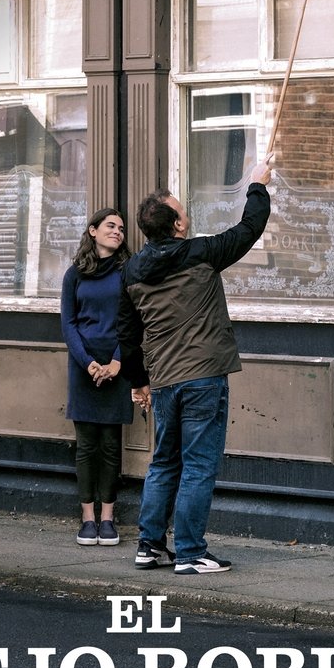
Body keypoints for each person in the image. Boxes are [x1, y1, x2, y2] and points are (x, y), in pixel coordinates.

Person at [117, 156, 273, 574]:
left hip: (165, 380)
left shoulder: (131, 272)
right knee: (199, 464)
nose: (187, 215)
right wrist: (257, 183)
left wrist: (138, 382)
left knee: (165, 462)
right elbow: (250, 228)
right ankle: (190, 552)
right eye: (183, 211)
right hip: (203, 375)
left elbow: (127, 335)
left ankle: (149, 546)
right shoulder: (202, 254)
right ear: (178, 226)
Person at [61, 208, 133, 547]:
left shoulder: (127, 272)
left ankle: (108, 518)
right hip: (83, 368)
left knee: (110, 445)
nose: (117, 231)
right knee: (86, 445)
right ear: (92, 231)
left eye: (121, 228)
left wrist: (118, 362)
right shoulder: (74, 275)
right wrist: (89, 363)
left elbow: (134, 322)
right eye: (110, 226)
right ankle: (87, 518)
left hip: (117, 368)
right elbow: (68, 325)